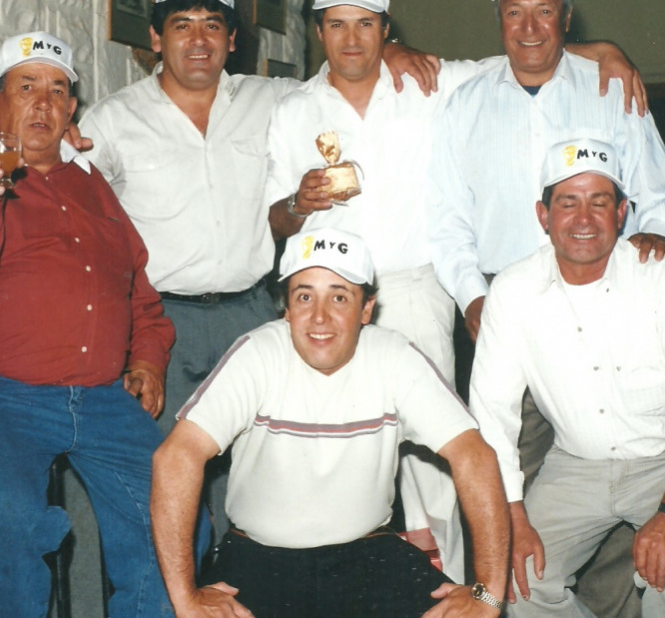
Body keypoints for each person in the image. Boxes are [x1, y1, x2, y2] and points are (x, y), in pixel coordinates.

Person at [265, 0, 649, 581]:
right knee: (328, 446)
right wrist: (297, 203)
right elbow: (275, 222)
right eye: (337, 24)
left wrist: (604, 51)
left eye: (366, 24)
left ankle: (445, 589)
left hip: (413, 288)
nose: (352, 39)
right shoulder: (292, 109)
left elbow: (526, 55)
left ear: (387, 27)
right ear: (318, 31)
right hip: (325, 299)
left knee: (435, 453)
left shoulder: (430, 82)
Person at [75, 0, 436, 545]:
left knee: (259, 484)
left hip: (249, 315)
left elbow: (346, 68)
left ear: (233, 39)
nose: (198, 40)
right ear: (155, 38)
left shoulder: (273, 99)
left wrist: (391, 49)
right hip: (161, 325)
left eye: (213, 25)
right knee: (169, 479)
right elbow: (67, 200)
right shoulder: (113, 119)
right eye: (182, 25)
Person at [429, 0, 665, 614]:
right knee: (508, 479)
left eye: (544, 11)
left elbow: (658, 194)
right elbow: (446, 221)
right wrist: (473, 296)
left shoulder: (610, 85)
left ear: (566, 17)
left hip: (606, 299)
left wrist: (658, 239)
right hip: (505, 309)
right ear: (498, 18)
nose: (529, 27)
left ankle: (610, 609)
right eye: (514, 12)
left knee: (610, 465)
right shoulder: (464, 103)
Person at [0, 32, 197, 618]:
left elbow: (139, 291)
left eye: (57, 90)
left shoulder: (91, 182)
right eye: (25, 86)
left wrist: (147, 359)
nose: (43, 103)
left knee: (178, 516)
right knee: (12, 521)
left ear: (72, 108)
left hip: (100, 397)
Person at [151, 227, 510, 617]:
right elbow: (176, 457)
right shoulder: (258, 354)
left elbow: (474, 456)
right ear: (286, 309)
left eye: (339, 297)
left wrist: (487, 594)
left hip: (369, 555)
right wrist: (185, 596)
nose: (319, 317)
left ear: (366, 309)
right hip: (260, 559)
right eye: (304, 297)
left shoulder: (394, 356)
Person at [469, 139, 665, 617]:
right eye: (567, 202)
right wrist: (511, 516)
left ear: (621, 213)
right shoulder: (512, 291)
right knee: (520, 578)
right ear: (543, 215)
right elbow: (492, 415)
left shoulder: (664, 277)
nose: (584, 218)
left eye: (599, 202)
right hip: (576, 463)